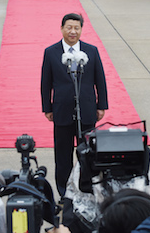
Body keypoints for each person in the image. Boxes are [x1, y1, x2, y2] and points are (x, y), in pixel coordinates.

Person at [41, 13, 108, 199]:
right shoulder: (51, 52)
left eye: (76, 28)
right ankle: (64, 193)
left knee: (86, 152)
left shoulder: (91, 51)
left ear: (81, 29)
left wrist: (101, 104)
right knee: (62, 154)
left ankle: (86, 189)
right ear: (62, 28)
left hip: (86, 109)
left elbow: (100, 80)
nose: (72, 31)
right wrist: (47, 107)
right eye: (69, 27)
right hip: (61, 110)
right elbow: (46, 82)